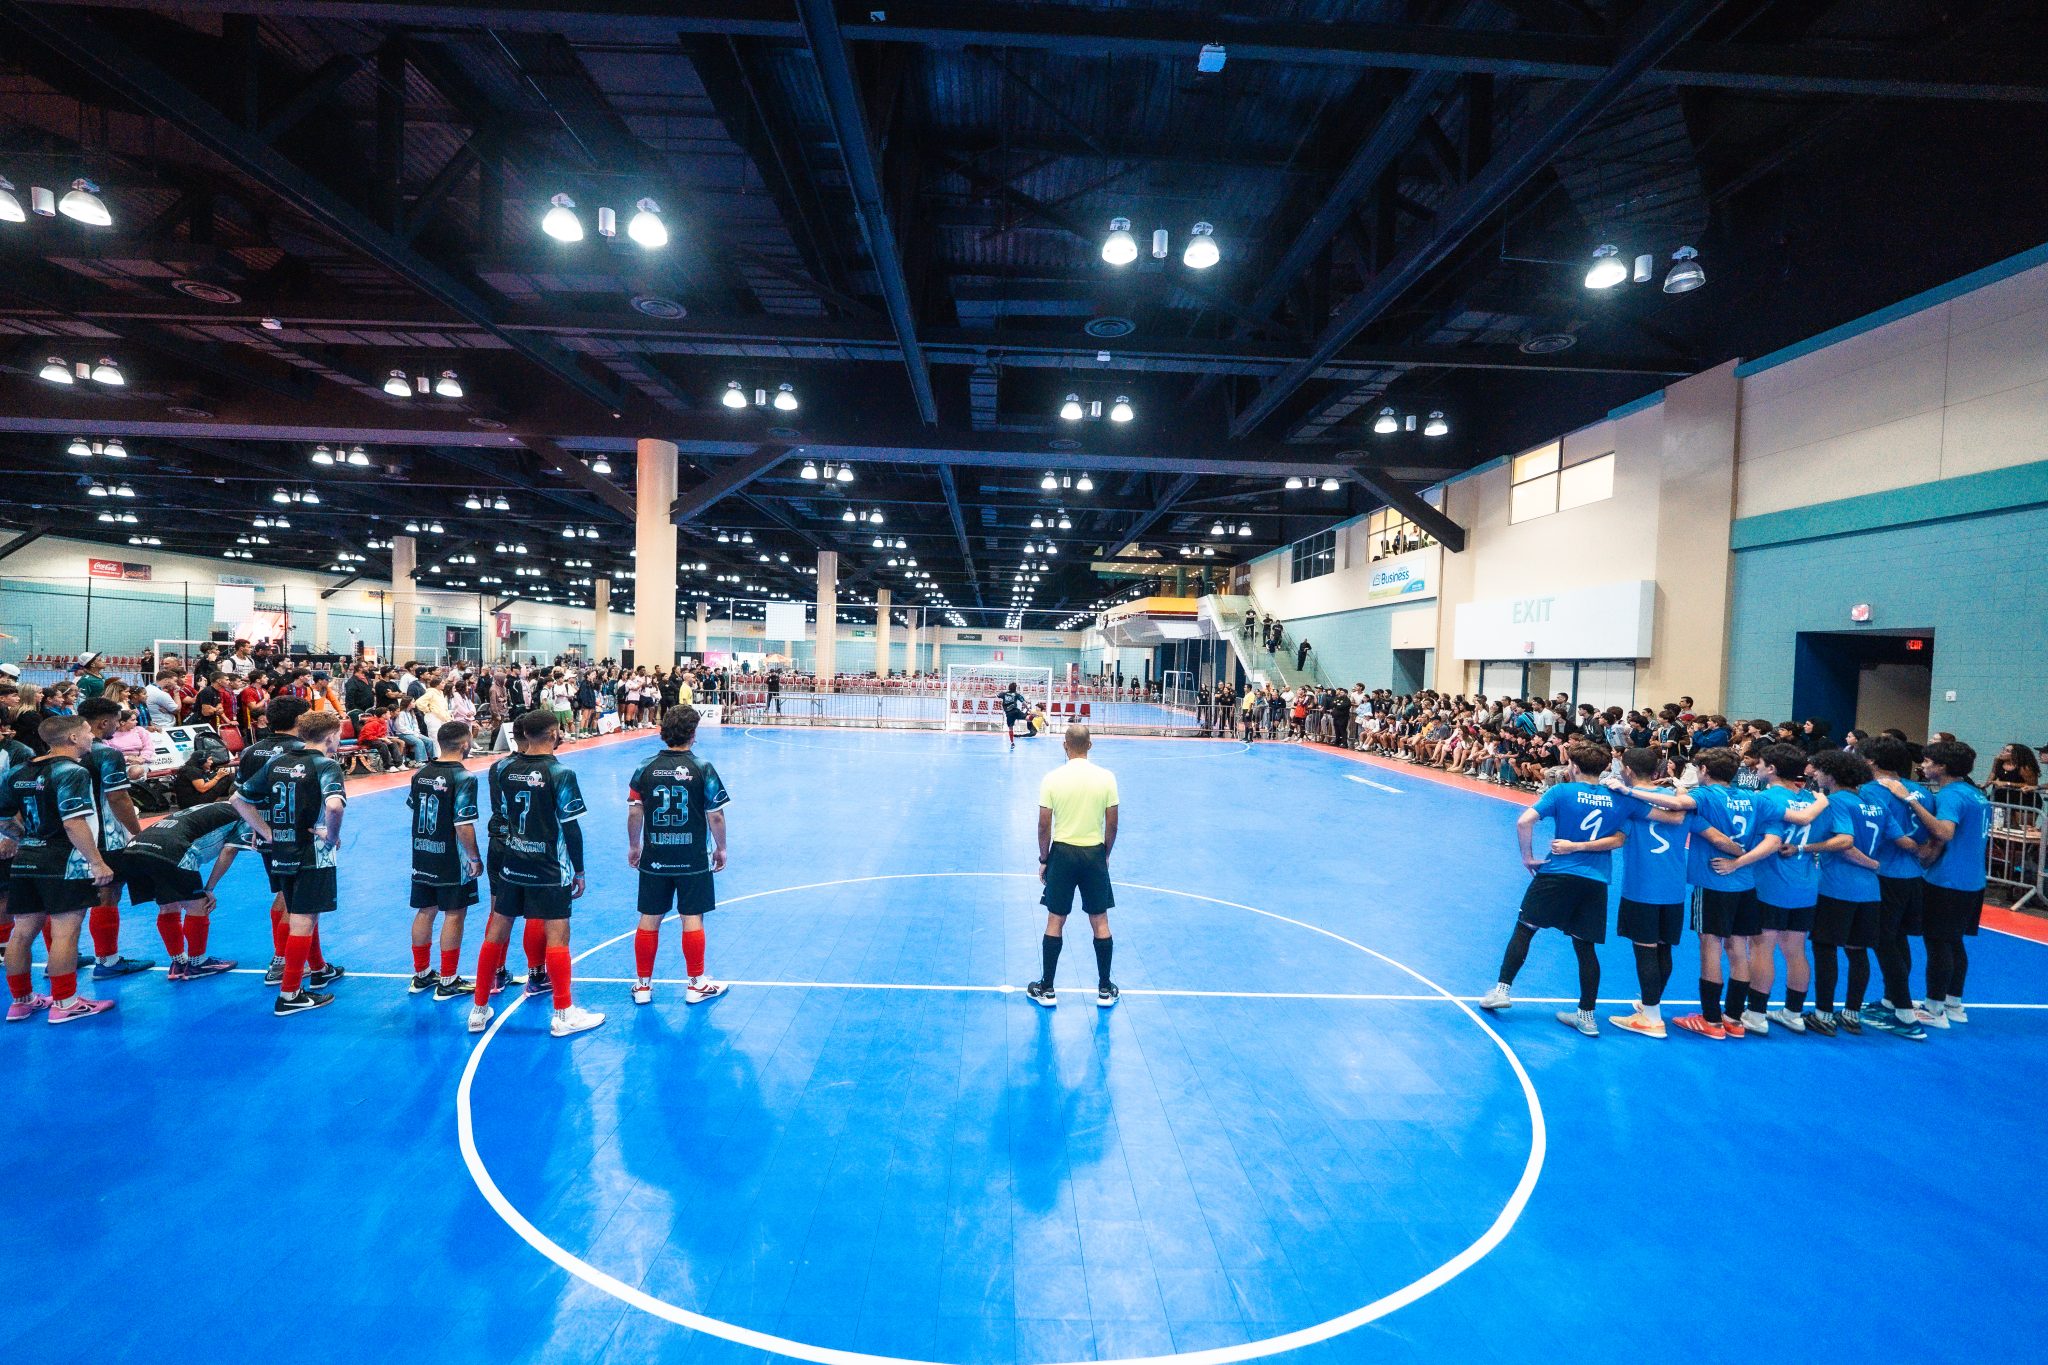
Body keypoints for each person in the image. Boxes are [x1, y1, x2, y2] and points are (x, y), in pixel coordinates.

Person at [468, 709, 602, 1038]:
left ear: (523, 735)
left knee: (495, 933)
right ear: (554, 733)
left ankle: (479, 1009)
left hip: (512, 862)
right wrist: (579, 870)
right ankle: (563, 1013)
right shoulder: (561, 773)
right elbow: (571, 828)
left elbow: (503, 814)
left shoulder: (503, 769)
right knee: (558, 937)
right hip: (549, 866)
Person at [1478, 741, 1626, 1035]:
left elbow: (1524, 822)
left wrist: (1528, 857)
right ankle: (1586, 1016)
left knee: (1525, 929)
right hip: (1595, 880)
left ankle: (1502, 991)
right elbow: (1620, 839)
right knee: (1585, 947)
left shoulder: (1561, 791)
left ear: (1574, 766)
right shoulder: (1616, 797)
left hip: (1558, 873)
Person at [0, 715, 120, 1023]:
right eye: (86, 732)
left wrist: (25, 839)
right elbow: (73, 822)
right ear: (72, 739)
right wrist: (96, 861)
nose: (91, 736)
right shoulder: (73, 771)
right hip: (63, 860)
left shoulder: (16, 772)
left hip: (26, 859)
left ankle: (21, 1002)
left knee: (22, 932)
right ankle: (65, 1003)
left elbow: (3, 819)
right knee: (66, 931)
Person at [1706, 743, 1831, 1034]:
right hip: (1806, 883)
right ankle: (1794, 1013)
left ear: (1772, 769)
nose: (1756, 768)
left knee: (1762, 947)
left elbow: (1769, 841)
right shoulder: (1814, 800)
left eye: (1760, 764)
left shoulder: (1765, 799)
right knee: (1796, 949)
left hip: (1770, 883)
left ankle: (1757, 1014)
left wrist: (1737, 862)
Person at [232, 710, 350, 1016]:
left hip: (281, 850)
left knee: (300, 914)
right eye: (338, 734)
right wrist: (331, 835)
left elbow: (238, 799)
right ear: (330, 737)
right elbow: (334, 807)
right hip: (312, 852)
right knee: (303, 920)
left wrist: (267, 833)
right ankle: (290, 993)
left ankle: (315, 973)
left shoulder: (277, 762)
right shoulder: (326, 765)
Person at [1880, 740, 1990, 1028]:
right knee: (1953, 941)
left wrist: (1909, 799)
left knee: (1938, 942)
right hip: (1972, 878)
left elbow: (1944, 832)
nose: (1923, 765)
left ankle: (1934, 1007)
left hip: (1948, 879)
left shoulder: (1951, 795)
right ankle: (1953, 1003)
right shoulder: (1976, 794)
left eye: (1928, 762)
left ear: (1942, 766)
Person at [626, 704, 730, 1007]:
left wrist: (635, 845)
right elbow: (716, 816)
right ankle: (696, 983)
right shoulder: (702, 768)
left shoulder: (644, 768)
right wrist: (721, 847)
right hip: (692, 856)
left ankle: (643, 985)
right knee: (691, 916)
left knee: (649, 917)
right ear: (693, 733)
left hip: (655, 855)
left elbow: (635, 813)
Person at [1600, 747, 1691, 1038]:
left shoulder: (1627, 802)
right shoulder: (1679, 801)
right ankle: (1651, 1005)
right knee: (1663, 948)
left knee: (1645, 951)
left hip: (1642, 886)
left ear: (1627, 770)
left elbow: (1616, 837)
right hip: (1674, 888)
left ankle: (1651, 1018)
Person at [1026, 725, 1120, 1008]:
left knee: (1055, 919)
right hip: (1093, 854)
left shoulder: (1052, 779)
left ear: (1065, 745)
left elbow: (1044, 825)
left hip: (1063, 855)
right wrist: (1105, 855)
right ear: (1089, 745)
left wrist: (1044, 859)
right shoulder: (1107, 778)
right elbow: (1112, 824)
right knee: (1100, 920)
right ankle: (1105, 989)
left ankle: (1047, 988)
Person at [111, 801, 244, 982]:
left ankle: (179, 962)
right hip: (170, 848)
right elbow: (230, 850)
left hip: (135, 848)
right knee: (198, 905)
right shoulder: (244, 813)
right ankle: (197, 963)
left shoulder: (217, 806)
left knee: (168, 906)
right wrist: (209, 888)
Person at [1805, 749, 1887, 1035]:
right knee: (1857, 950)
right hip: (1869, 890)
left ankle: (1824, 1014)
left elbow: (1844, 844)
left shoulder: (1836, 802)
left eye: (1820, 770)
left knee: (1825, 948)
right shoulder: (1874, 803)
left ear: (1832, 774)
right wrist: (1876, 864)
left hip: (1837, 886)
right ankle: (1852, 1013)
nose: (1816, 774)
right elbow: (1898, 839)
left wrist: (1806, 847)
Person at [1857, 737, 1932, 1039]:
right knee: (1897, 939)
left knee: (1884, 942)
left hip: (1884, 873)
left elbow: (1874, 833)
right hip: (1913, 875)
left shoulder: (1870, 791)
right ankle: (1891, 1000)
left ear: (1872, 761)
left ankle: (1904, 1014)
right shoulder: (1922, 792)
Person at [407, 721, 484, 1001]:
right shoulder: (463, 777)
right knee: (454, 912)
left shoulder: (421, 773)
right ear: (465, 744)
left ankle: (422, 974)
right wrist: (474, 857)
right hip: (451, 856)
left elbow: (415, 808)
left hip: (423, 851)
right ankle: (448, 980)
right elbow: (463, 824)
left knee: (425, 910)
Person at [78, 696, 150, 978]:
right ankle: (108, 961)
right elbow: (118, 797)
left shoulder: (58, 751)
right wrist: (138, 832)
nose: (118, 727)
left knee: (64, 903)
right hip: (104, 836)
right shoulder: (107, 754)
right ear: (104, 722)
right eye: (116, 722)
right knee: (107, 894)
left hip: (69, 834)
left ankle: (64, 958)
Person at [996, 682, 1030, 749]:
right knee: (1028, 719)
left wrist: (985, 695)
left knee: (1010, 728)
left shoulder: (1004, 693)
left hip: (1009, 714)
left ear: (1009, 687)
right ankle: (1035, 715)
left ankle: (1012, 743)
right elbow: (1024, 703)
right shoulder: (1017, 694)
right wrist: (1028, 709)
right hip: (1016, 711)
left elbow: (996, 695)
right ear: (1015, 688)